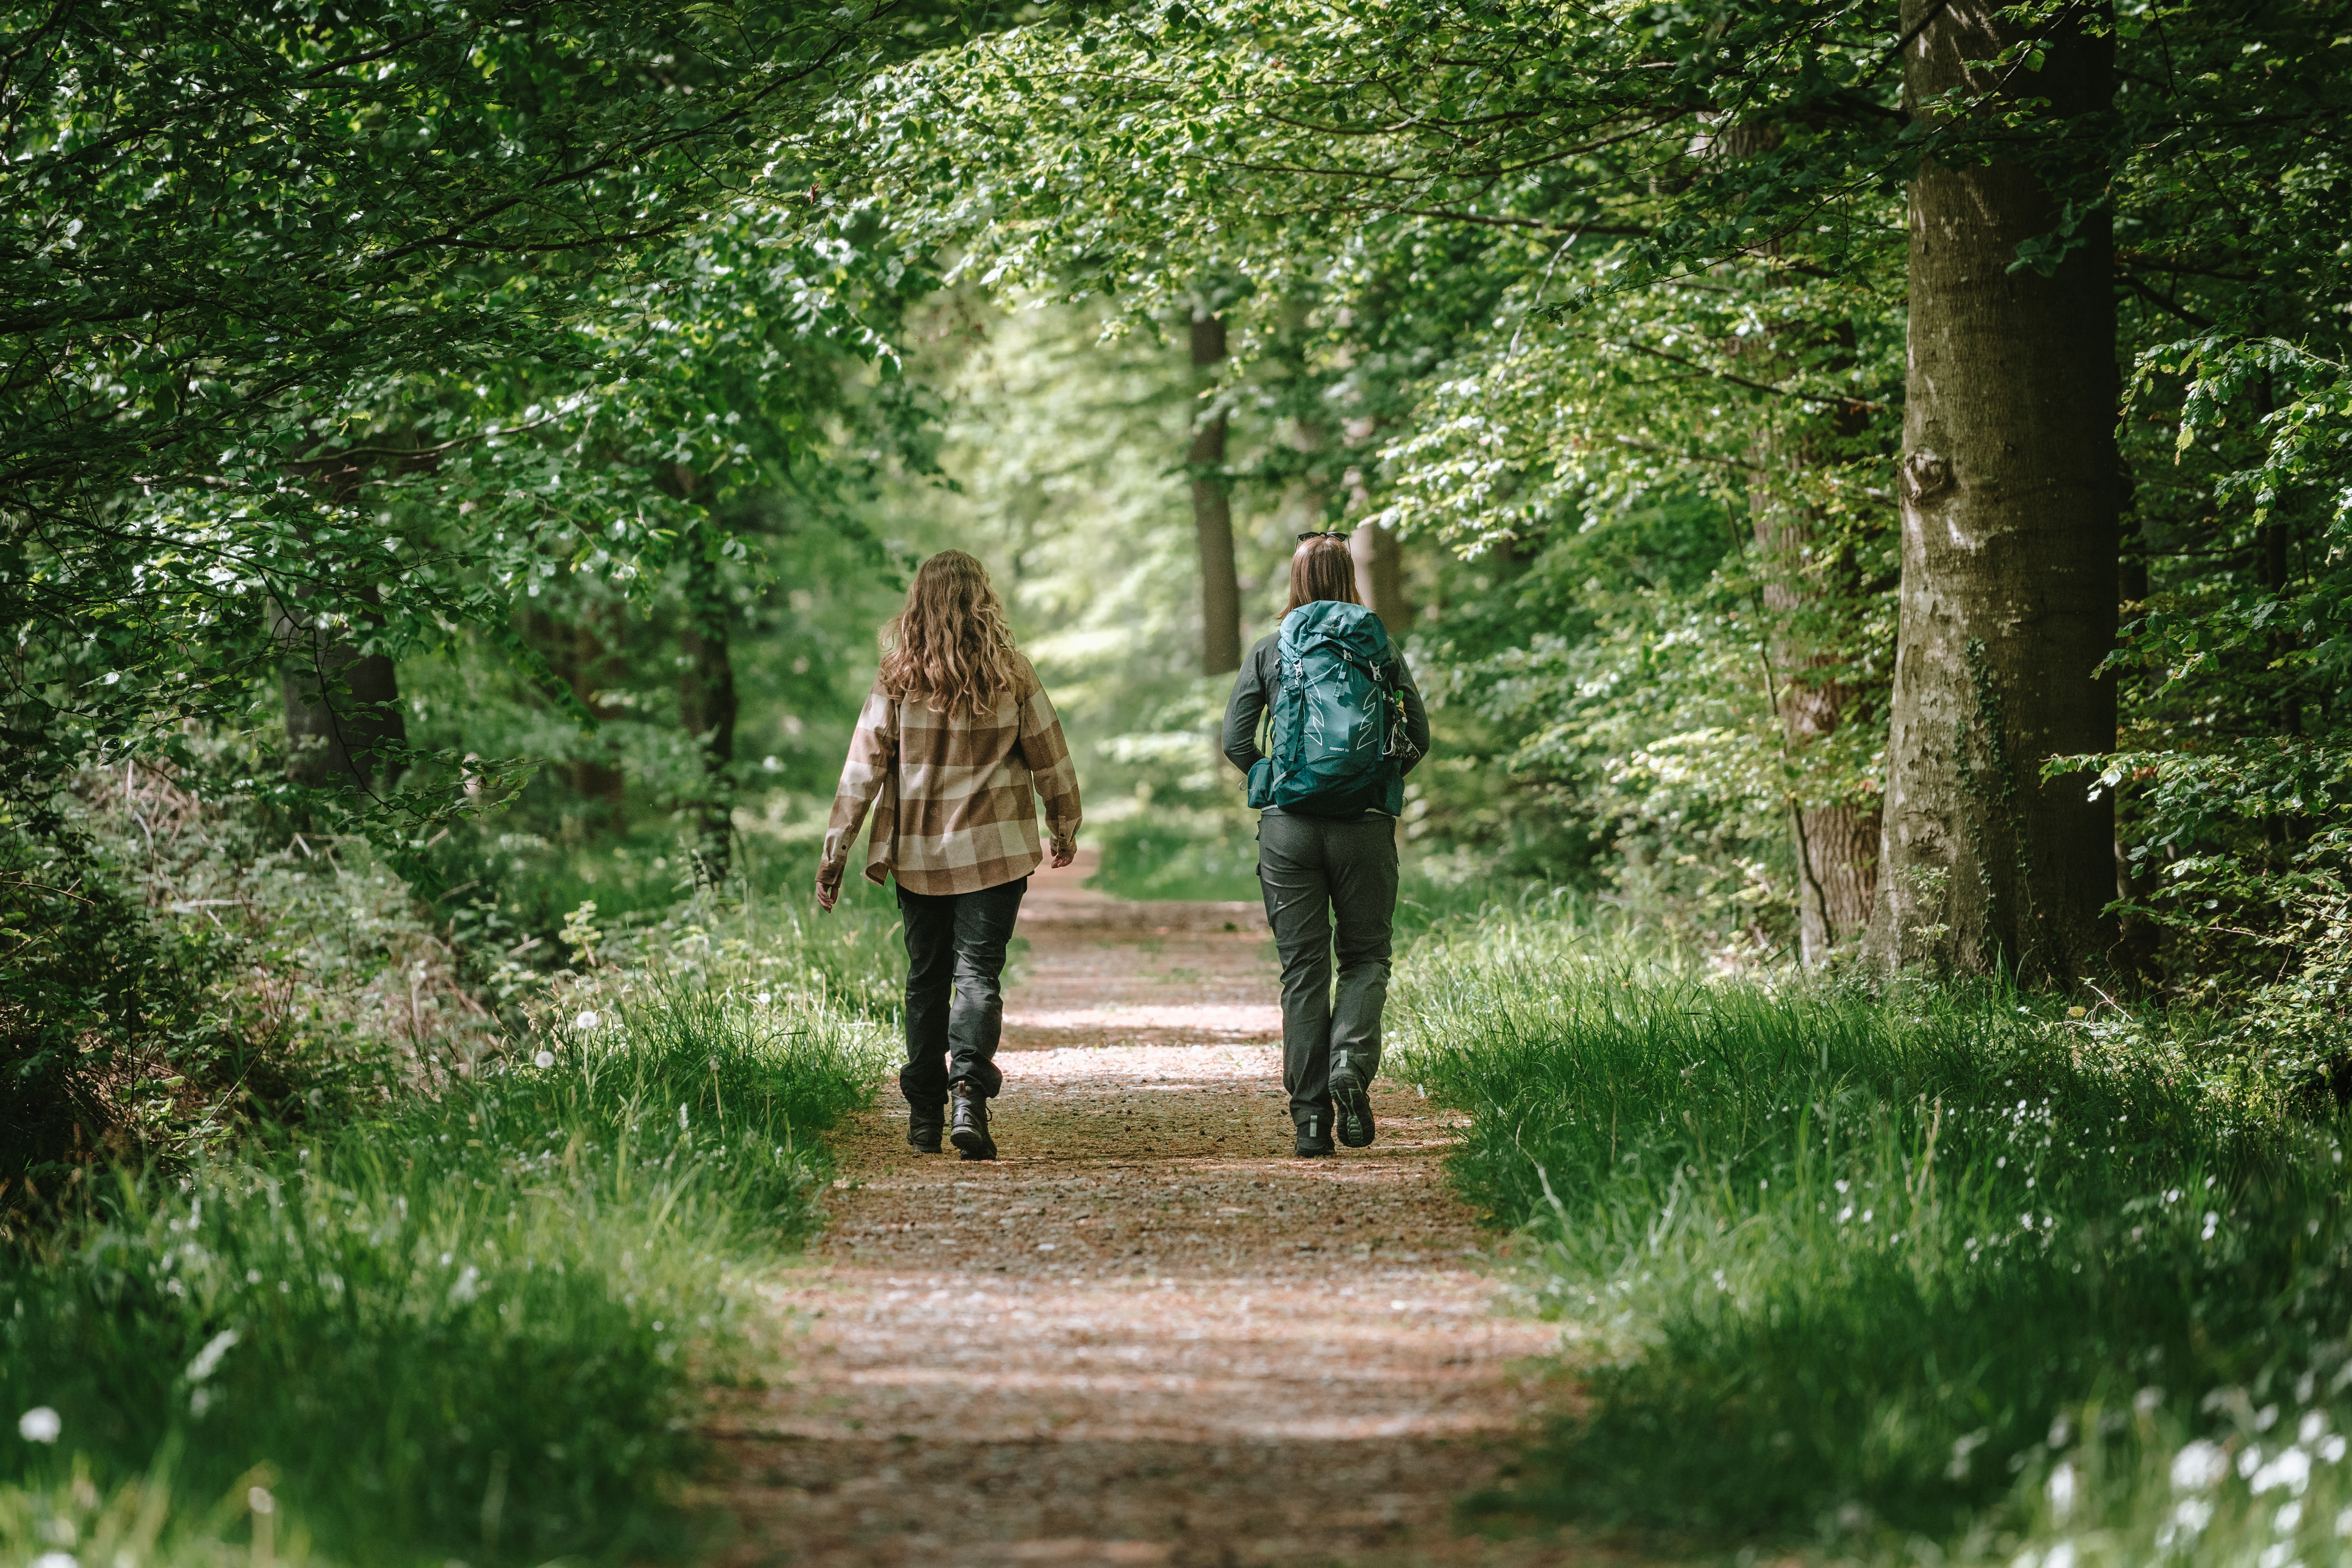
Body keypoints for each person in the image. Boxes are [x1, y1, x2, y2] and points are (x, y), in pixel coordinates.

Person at [817, 550, 1082, 1161]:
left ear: (920, 603)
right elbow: (1051, 755)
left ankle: (922, 1116)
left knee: (926, 980)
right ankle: (968, 1092)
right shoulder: (1012, 673)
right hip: (995, 852)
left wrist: (835, 854)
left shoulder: (898, 676)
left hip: (918, 855)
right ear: (981, 600)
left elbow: (862, 772)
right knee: (977, 975)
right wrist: (1063, 825)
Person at [1222, 533, 1430, 1157]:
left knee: (1304, 970)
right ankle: (1350, 1065)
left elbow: (1236, 740)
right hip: (1364, 826)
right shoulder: (1379, 647)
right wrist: (1374, 785)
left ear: (1296, 580)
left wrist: (1273, 780)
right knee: (1366, 959)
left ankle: (1310, 1121)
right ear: (1349, 578)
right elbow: (1417, 736)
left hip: (1288, 827)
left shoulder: (1271, 650)